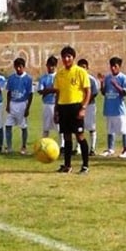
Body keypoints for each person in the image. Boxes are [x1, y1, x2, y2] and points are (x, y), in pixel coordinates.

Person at [53, 46, 91, 174]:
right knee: (66, 136)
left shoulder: (80, 71)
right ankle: (67, 165)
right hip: (63, 107)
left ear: (73, 58)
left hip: (76, 107)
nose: (66, 59)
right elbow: (57, 93)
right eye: (64, 57)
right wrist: (56, 110)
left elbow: (88, 91)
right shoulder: (60, 73)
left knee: (80, 136)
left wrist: (83, 107)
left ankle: (85, 165)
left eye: (69, 56)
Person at [98, 57, 126, 158]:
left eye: (115, 66)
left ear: (119, 67)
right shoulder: (107, 78)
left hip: (119, 109)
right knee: (110, 130)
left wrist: (116, 85)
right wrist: (102, 82)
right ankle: (110, 149)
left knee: (123, 130)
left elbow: (124, 93)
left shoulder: (123, 78)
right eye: (111, 66)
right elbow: (103, 93)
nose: (113, 68)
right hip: (109, 108)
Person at [4, 57, 33, 155]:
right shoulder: (11, 78)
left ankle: (24, 146)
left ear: (23, 67)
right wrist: (8, 105)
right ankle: (9, 147)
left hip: (22, 104)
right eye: (16, 67)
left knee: (23, 127)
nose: (18, 69)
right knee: (8, 126)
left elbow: (30, 94)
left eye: (20, 67)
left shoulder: (28, 79)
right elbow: (9, 92)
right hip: (12, 103)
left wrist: (27, 108)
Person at [77, 59, 99, 156]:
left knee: (91, 127)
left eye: (84, 67)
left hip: (90, 106)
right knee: (78, 127)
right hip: (78, 105)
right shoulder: (76, 78)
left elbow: (94, 93)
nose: (82, 69)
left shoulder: (91, 79)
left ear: (87, 68)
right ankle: (77, 148)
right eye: (80, 67)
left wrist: (85, 103)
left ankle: (92, 148)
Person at [37, 56, 61, 143]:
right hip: (46, 104)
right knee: (46, 127)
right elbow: (40, 91)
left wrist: (48, 90)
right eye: (49, 65)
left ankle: (62, 146)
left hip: (58, 104)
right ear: (46, 65)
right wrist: (53, 90)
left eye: (53, 66)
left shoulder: (59, 76)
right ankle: (43, 144)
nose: (51, 68)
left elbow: (61, 90)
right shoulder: (43, 78)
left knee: (59, 126)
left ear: (55, 66)